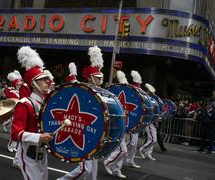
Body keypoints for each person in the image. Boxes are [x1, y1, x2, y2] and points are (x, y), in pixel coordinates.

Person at [58, 46, 104, 180]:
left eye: (100, 78)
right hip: (83, 132)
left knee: (93, 165)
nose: (100, 81)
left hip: (96, 133)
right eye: (97, 78)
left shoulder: (99, 92)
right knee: (86, 168)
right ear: (90, 78)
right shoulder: (82, 91)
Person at [11, 46, 53, 180]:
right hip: (28, 154)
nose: (48, 81)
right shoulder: (25, 104)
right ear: (34, 84)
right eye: (43, 79)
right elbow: (15, 133)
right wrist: (38, 137)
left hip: (42, 153)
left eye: (47, 79)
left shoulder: (46, 104)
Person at [103, 70, 129, 179]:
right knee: (123, 150)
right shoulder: (112, 94)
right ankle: (108, 162)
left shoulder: (127, 96)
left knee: (121, 150)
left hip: (125, 126)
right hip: (117, 125)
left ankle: (117, 169)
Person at [139, 83, 159, 161]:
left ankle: (148, 154)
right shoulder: (146, 100)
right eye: (150, 92)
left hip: (153, 122)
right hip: (149, 122)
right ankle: (143, 149)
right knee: (153, 139)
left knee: (152, 139)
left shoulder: (152, 100)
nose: (151, 93)